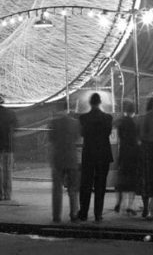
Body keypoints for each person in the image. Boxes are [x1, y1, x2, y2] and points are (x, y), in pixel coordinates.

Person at [78, 92, 113, 222]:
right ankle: (98, 214)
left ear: (90, 103)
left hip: (89, 154)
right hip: (103, 154)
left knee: (86, 184)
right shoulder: (108, 118)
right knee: (100, 185)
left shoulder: (83, 118)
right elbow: (108, 133)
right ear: (100, 103)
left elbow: (82, 134)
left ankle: (83, 213)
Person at [48, 108, 81, 224]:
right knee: (73, 188)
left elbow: (51, 139)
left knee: (57, 189)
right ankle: (74, 214)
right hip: (71, 158)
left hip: (58, 159)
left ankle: (56, 216)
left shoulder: (53, 123)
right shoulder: (75, 123)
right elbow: (77, 138)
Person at [113, 100, 141, 216]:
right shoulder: (136, 122)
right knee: (133, 180)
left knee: (122, 178)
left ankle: (119, 201)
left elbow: (119, 136)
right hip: (134, 153)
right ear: (134, 111)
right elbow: (138, 138)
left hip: (123, 152)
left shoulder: (121, 122)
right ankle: (130, 205)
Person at [0, 94, 18, 200]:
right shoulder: (11, 113)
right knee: (8, 171)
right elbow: (15, 128)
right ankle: (7, 194)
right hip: (9, 146)